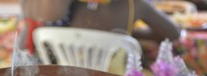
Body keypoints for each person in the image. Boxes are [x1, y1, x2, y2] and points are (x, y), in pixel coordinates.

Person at [19, 0, 181, 53]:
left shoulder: (72, 5)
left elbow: (46, 16)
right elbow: (173, 33)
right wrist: (125, 35)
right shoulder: (136, 4)